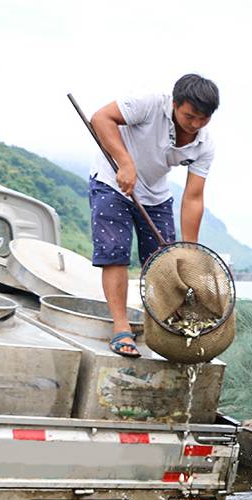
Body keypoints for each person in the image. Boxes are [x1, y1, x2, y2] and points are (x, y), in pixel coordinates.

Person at [89, 74, 219, 358]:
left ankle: (160, 327)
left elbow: (193, 196)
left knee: (163, 263)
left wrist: (192, 249)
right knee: (115, 251)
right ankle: (121, 327)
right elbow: (100, 118)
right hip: (112, 181)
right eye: (190, 116)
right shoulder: (149, 105)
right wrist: (124, 162)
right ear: (174, 104)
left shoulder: (204, 145)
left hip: (156, 195)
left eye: (204, 119)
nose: (196, 124)